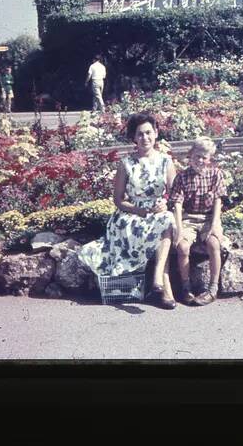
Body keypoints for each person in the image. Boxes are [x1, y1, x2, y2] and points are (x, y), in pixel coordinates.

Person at [79, 112, 178, 309]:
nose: (145, 138)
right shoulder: (126, 164)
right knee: (164, 223)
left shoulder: (166, 162)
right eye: (140, 134)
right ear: (134, 138)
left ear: (156, 133)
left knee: (167, 219)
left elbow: (175, 193)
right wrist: (139, 210)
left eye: (149, 133)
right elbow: (118, 200)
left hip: (157, 213)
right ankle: (164, 288)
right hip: (131, 216)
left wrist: (164, 203)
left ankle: (159, 279)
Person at [168, 136, 227, 306]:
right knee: (182, 246)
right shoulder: (182, 177)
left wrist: (215, 224)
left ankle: (213, 288)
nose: (200, 160)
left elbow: (218, 200)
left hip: (208, 217)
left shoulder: (216, 174)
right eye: (196, 156)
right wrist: (179, 229)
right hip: (189, 217)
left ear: (209, 159)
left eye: (204, 157)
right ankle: (186, 287)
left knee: (214, 243)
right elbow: (177, 205)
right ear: (190, 155)